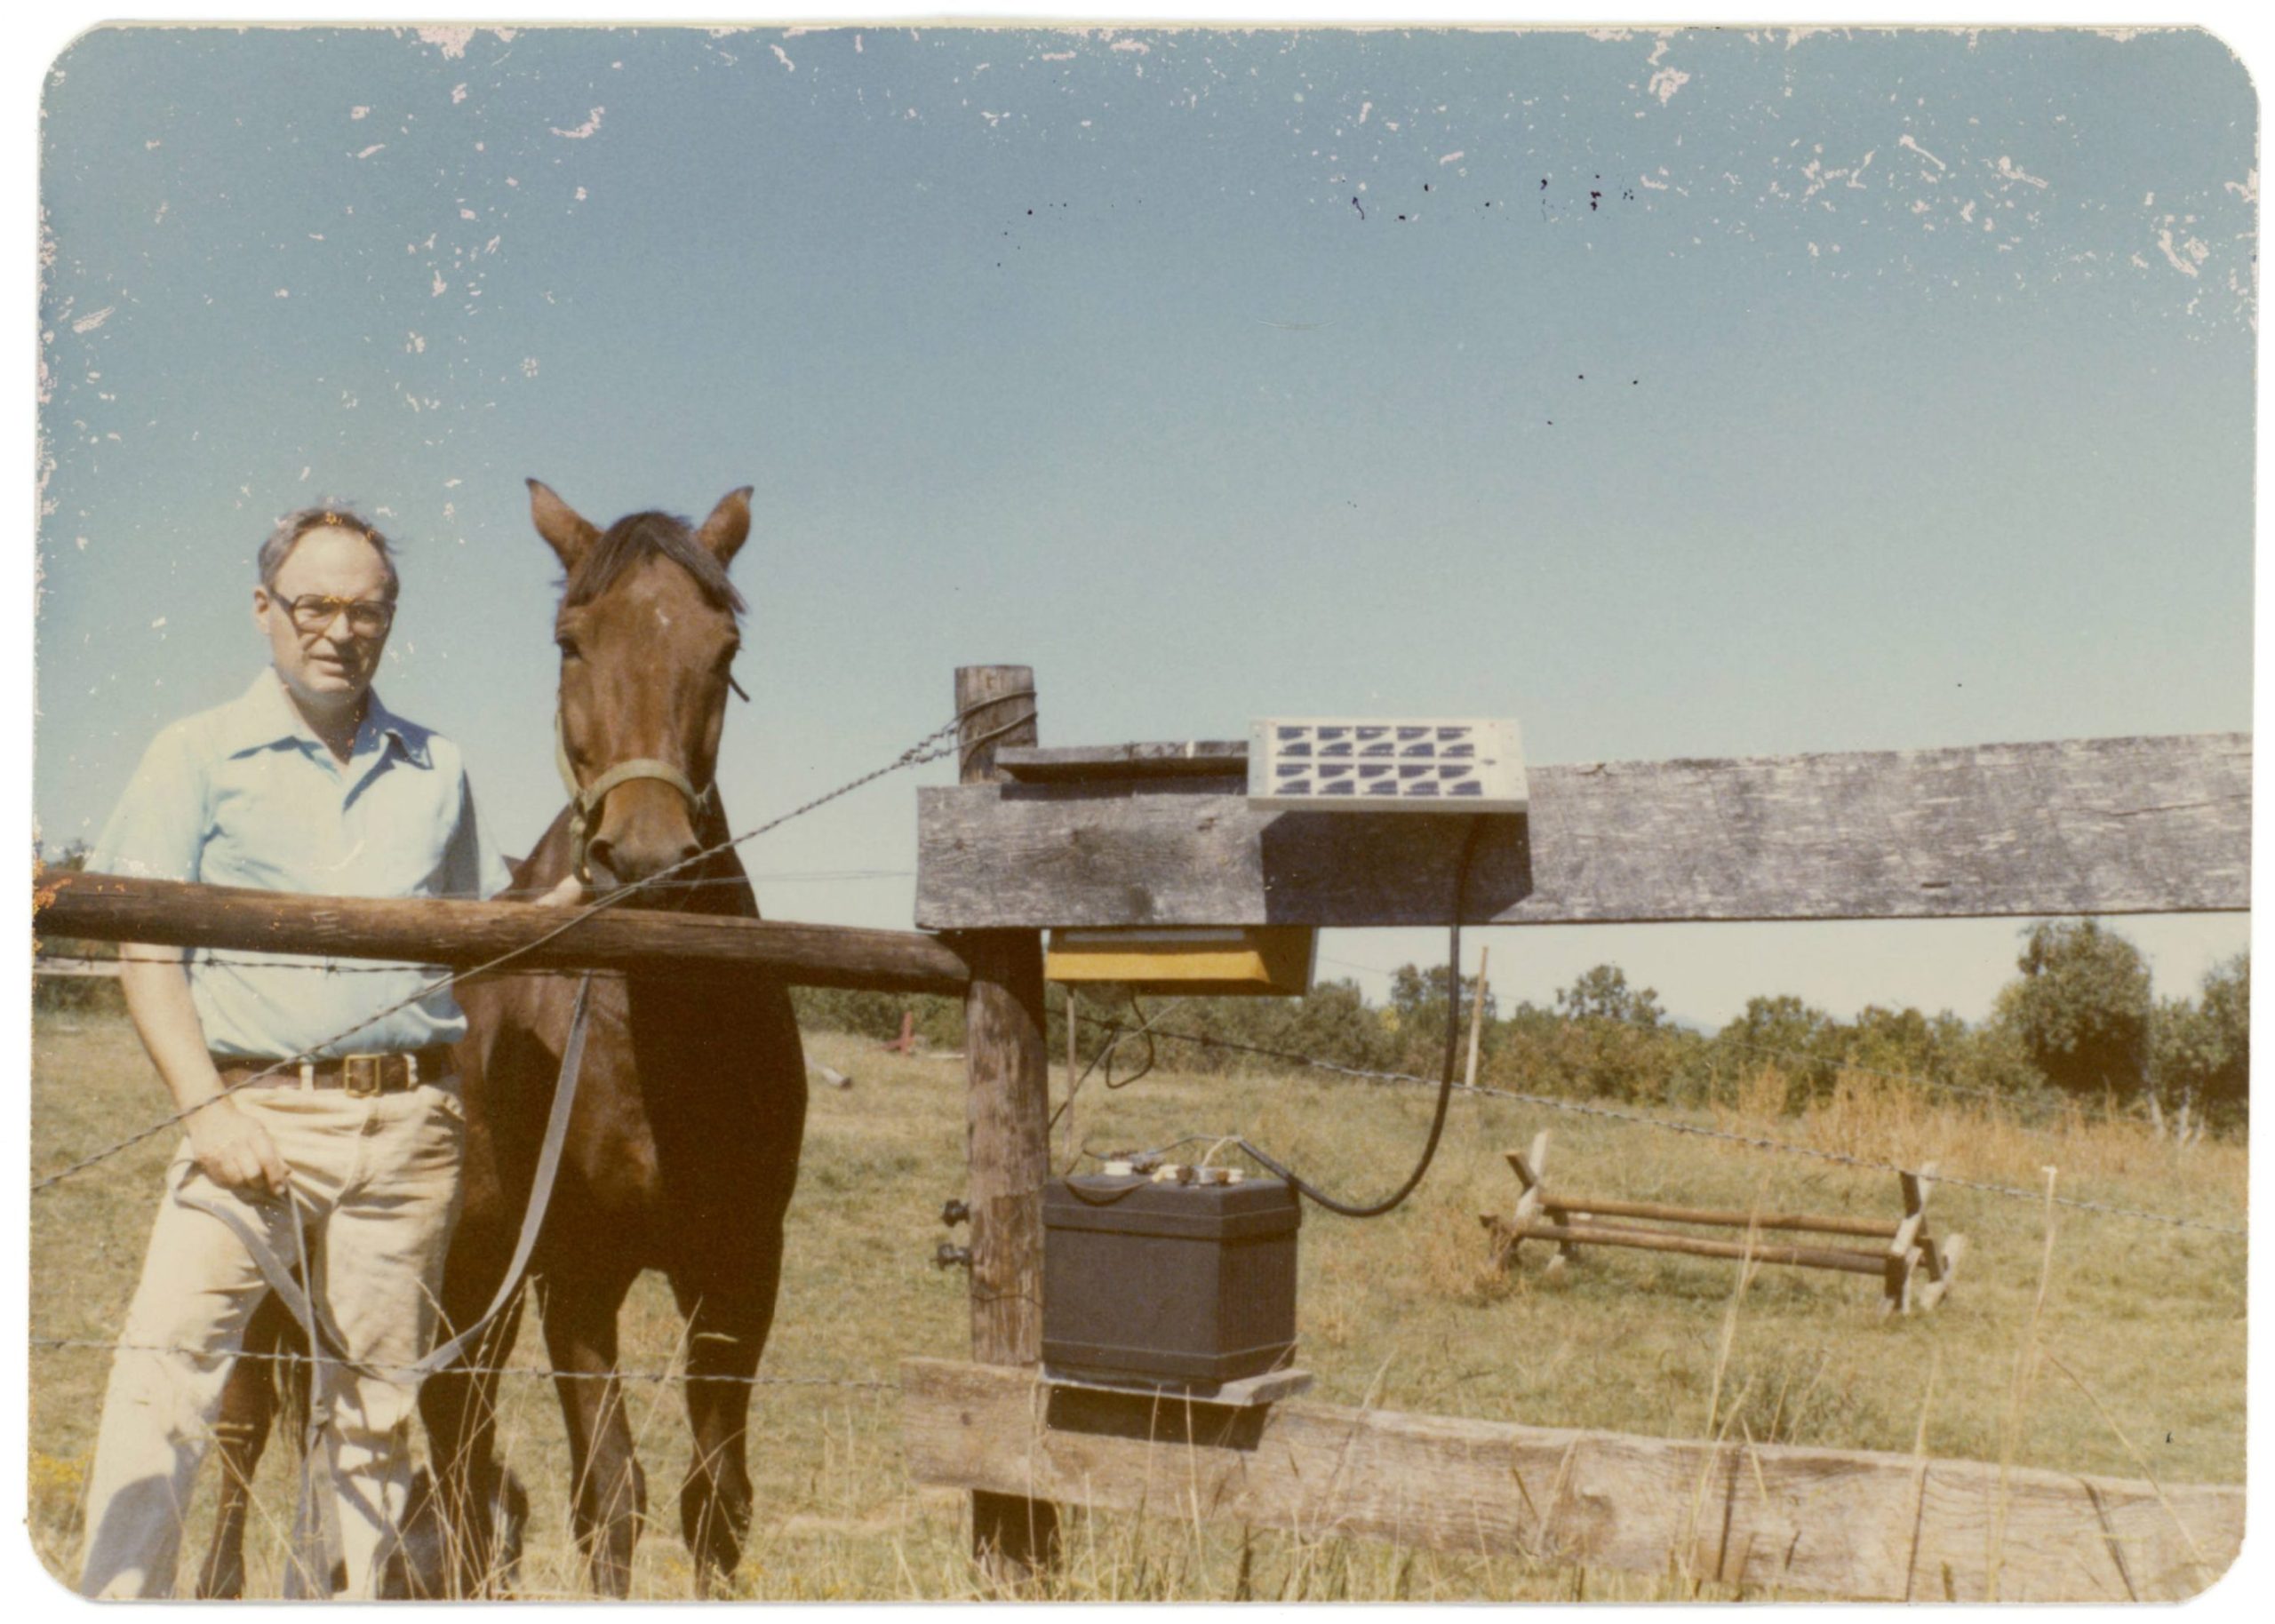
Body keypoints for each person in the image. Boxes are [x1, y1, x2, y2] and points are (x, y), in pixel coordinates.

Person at [74, 506, 566, 1598]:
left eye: (367, 609)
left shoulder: (439, 767)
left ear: (391, 619)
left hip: (407, 1136)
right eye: (316, 605)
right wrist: (207, 1111)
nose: (341, 630)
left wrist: (578, 898)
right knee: (166, 1386)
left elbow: (467, 933)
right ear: (266, 612)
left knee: (376, 1418)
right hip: (249, 1116)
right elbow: (143, 950)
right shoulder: (194, 753)